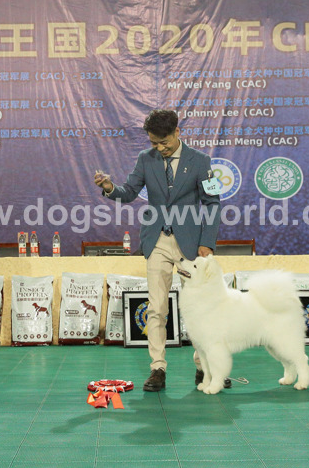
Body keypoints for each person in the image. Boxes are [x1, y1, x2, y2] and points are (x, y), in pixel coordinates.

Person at [94, 109, 220, 391]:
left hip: (192, 244)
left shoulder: (201, 161)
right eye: (154, 143)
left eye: (164, 142)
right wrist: (110, 187)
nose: (160, 148)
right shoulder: (145, 159)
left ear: (177, 133)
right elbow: (128, 192)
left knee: (201, 309)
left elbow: (212, 202)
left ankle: (204, 366)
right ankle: (157, 368)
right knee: (156, 308)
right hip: (157, 241)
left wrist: (207, 242)